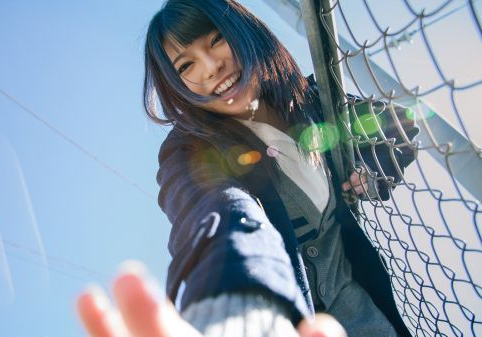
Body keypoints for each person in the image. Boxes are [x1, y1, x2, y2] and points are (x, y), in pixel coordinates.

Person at [79, 0, 419, 336]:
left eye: (216, 40)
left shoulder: (314, 99)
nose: (211, 67)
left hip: (359, 307)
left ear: (244, 31)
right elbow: (214, 210)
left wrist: (369, 165)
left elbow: (397, 125)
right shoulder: (191, 148)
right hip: (282, 315)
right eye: (185, 66)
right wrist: (237, 298)